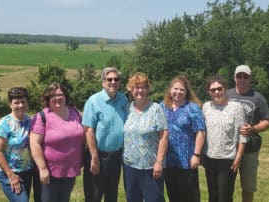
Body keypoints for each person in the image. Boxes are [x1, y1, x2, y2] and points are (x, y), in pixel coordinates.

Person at [30, 82, 85, 202]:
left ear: (66, 96)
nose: (57, 98)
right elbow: (34, 143)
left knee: (64, 199)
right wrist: (42, 168)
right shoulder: (42, 117)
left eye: (60, 94)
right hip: (50, 171)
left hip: (71, 168)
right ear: (48, 99)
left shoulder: (74, 112)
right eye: (53, 95)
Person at [226, 65, 269, 202]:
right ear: (234, 78)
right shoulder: (227, 95)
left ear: (250, 79)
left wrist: (253, 129)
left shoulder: (258, 98)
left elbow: (267, 121)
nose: (242, 79)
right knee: (226, 185)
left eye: (245, 77)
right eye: (239, 76)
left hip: (250, 148)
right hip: (229, 148)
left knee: (248, 186)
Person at [82, 67, 128, 202]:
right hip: (97, 156)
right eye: (109, 79)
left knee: (112, 195)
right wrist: (95, 158)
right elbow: (88, 131)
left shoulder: (123, 99)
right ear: (103, 82)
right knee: (94, 195)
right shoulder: (93, 101)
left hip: (116, 156)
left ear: (119, 82)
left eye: (116, 79)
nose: (113, 82)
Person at [123, 72, 168, 202]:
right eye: (136, 87)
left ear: (148, 89)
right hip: (130, 166)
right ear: (131, 89)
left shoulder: (156, 109)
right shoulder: (127, 108)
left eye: (143, 87)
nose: (140, 90)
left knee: (154, 199)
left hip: (151, 167)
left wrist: (159, 162)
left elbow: (164, 136)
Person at [160, 76, 206, 202]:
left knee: (189, 195)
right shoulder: (163, 107)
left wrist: (196, 155)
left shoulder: (192, 108)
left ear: (187, 92)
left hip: (187, 160)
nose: (178, 92)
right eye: (176, 88)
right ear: (170, 90)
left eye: (182, 90)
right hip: (168, 160)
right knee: (173, 194)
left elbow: (201, 132)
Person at [202, 75, 247, 202]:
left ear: (225, 89)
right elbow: (202, 132)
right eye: (213, 90)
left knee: (224, 196)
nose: (216, 92)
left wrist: (238, 158)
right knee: (213, 194)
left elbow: (242, 135)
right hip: (209, 158)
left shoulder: (236, 108)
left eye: (219, 88)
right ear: (208, 92)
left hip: (228, 159)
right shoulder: (206, 107)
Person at [0, 87, 34, 202]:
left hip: (26, 170)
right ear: (10, 104)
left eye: (23, 102)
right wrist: (11, 175)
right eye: (16, 103)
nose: (20, 105)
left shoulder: (30, 120)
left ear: (27, 103)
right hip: (8, 172)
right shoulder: (4, 124)